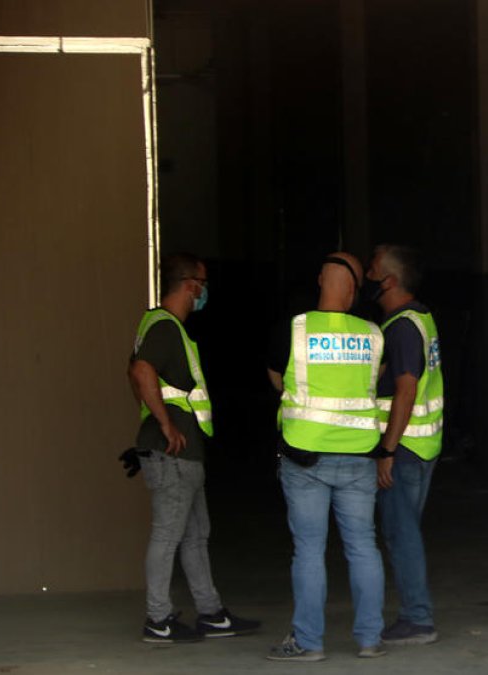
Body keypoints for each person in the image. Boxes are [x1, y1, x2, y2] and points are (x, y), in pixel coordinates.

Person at [128, 252, 260, 643]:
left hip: (182, 454)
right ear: (190, 285)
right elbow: (140, 371)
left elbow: (134, 373)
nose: (204, 291)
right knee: (169, 535)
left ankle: (211, 613)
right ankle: (158, 618)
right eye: (202, 283)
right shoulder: (166, 328)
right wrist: (165, 424)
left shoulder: (159, 327)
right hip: (172, 454)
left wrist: (156, 421)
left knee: (195, 534)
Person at [265, 252, 390, 662]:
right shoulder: (374, 334)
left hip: (305, 458)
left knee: (309, 550)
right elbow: (377, 380)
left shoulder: (295, 328)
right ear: (353, 292)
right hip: (358, 457)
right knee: (362, 546)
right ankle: (370, 639)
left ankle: (309, 643)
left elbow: (277, 380)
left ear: (321, 279)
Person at [363, 244, 443, 645]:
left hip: (406, 449)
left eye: (373, 270)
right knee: (403, 529)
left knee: (400, 532)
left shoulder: (400, 327)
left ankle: (417, 617)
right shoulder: (420, 317)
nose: (367, 276)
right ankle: (416, 614)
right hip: (422, 445)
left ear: (389, 281)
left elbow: (406, 391)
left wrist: (387, 450)